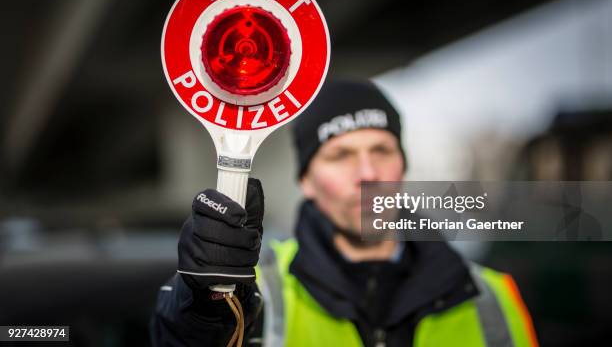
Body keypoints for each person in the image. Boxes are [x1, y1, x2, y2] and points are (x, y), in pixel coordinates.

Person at [150, 80, 538, 347]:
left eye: (382, 151)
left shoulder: (491, 297)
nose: (368, 174)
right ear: (307, 180)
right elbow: (179, 337)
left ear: (402, 165)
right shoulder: (258, 290)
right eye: (341, 156)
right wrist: (202, 305)